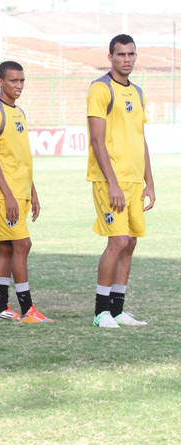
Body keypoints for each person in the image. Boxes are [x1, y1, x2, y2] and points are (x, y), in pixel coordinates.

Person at [88, 34, 154, 328]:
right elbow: (97, 140)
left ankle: (117, 310)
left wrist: (149, 182)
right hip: (109, 181)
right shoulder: (100, 89)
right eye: (121, 54)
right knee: (117, 241)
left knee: (130, 244)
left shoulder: (138, 92)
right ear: (110, 57)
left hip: (134, 182)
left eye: (131, 54)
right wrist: (112, 182)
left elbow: (141, 140)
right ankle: (101, 311)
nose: (126, 59)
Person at [0, 61, 51, 323]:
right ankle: (27, 308)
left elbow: (21, 157)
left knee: (8, 247)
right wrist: (8, 194)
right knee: (23, 244)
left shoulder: (18, 112)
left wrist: (32, 191)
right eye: (13, 81)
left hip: (19, 191)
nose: (18, 85)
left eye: (21, 81)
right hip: (2, 193)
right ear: (0, 81)